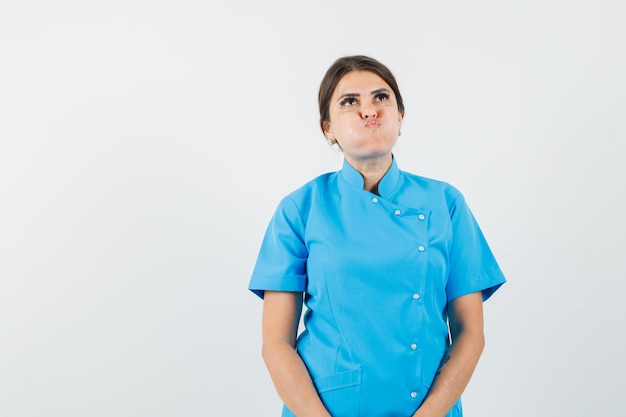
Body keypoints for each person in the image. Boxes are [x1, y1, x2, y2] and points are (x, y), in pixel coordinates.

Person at [248, 55, 506, 417]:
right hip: (324, 410)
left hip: (429, 408)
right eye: (349, 102)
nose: (369, 110)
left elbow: (470, 333)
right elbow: (276, 344)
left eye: (381, 98)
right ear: (328, 128)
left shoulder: (446, 203)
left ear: (400, 117)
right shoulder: (301, 209)